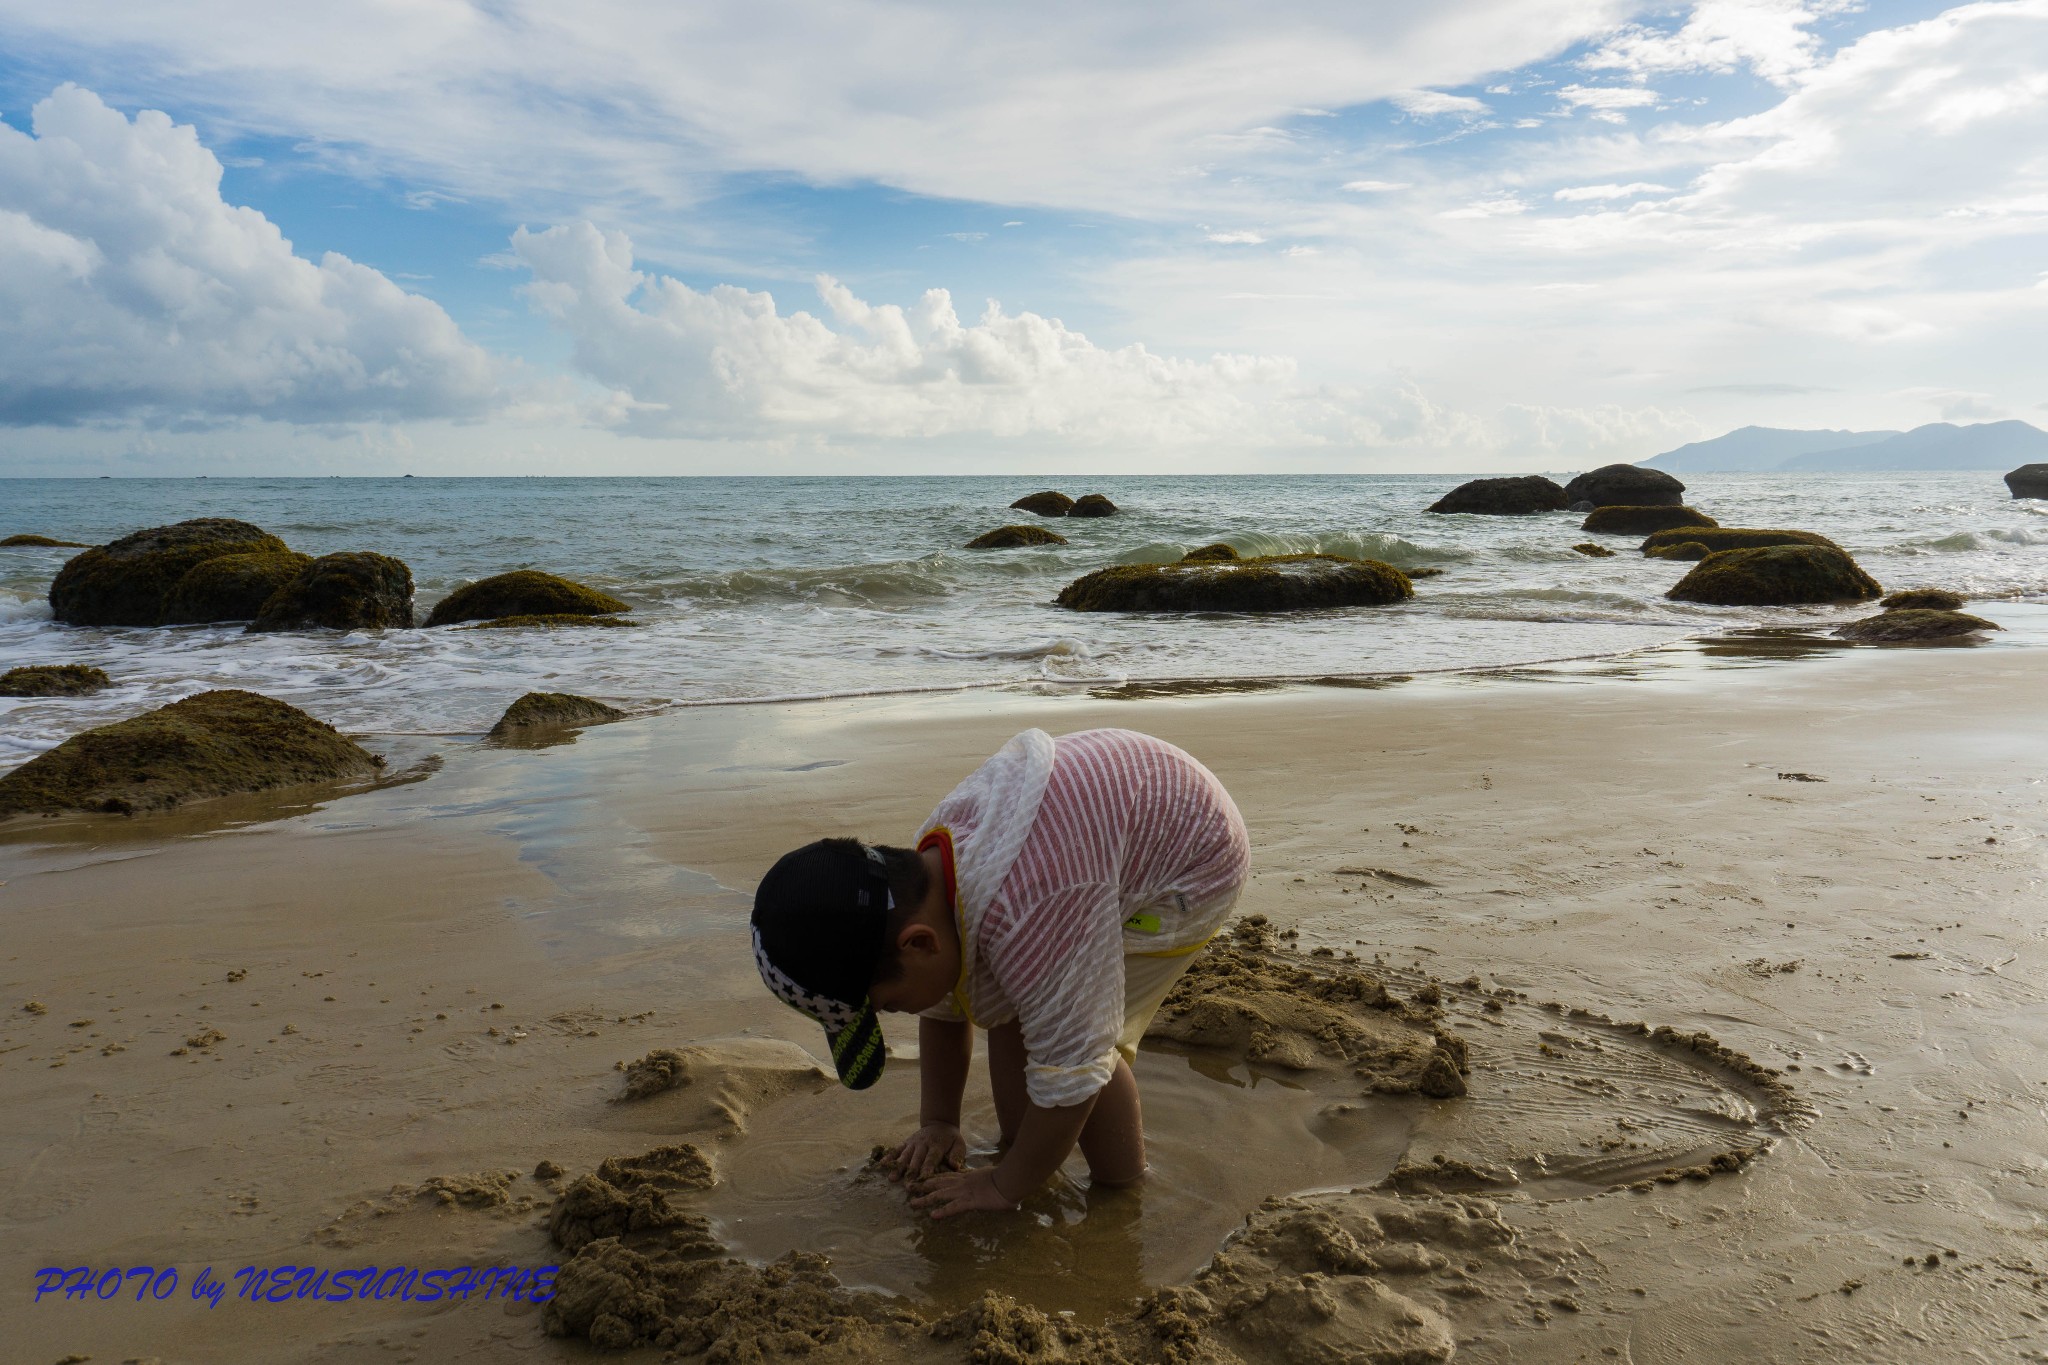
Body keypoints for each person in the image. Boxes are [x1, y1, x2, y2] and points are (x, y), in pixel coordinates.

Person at [750, 726, 1249, 1219]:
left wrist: (1002, 1185)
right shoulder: (923, 882)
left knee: (1081, 1040)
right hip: (1103, 826)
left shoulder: (1034, 909)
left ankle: (1122, 1186)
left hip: (1191, 865)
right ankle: (1027, 1145)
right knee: (1023, 999)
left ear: (919, 943)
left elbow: (1077, 1067)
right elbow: (946, 1007)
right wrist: (940, 1122)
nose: (894, 1013)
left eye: (886, 1004)